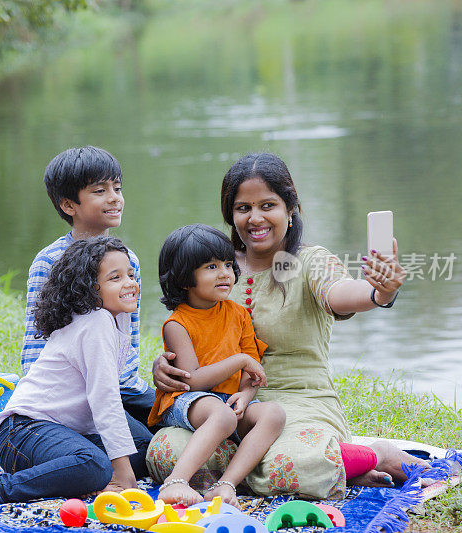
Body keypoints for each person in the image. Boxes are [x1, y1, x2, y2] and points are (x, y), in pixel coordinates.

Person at [152, 153, 429, 499]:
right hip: (224, 403)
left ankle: (376, 455)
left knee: (294, 465)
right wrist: (165, 365)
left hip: (301, 401)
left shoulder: (310, 261)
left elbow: (342, 293)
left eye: (268, 205)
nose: (255, 218)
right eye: (243, 208)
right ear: (230, 214)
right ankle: (328, 470)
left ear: (290, 208)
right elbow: (185, 325)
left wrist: (379, 291)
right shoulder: (216, 268)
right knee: (166, 452)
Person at [0, 237, 149, 509]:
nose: (130, 283)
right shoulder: (95, 322)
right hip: (22, 432)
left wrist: (122, 466)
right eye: (115, 278)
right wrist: (121, 471)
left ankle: (83, 473)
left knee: (144, 446)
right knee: (95, 464)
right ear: (89, 288)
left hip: (68, 429)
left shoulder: (117, 316)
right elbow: (104, 398)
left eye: (130, 274)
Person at [148, 224, 286, 507]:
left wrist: (246, 396)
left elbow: (252, 365)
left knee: (273, 414)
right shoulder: (178, 323)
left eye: (227, 264)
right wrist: (239, 360)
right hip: (186, 400)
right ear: (184, 279)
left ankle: (226, 485)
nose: (224, 272)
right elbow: (193, 381)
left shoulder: (237, 314)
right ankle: (175, 482)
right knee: (222, 416)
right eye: (211, 266)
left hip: (225, 401)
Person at [20, 146, 157, 428]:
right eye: (100, 191)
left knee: (176, 422)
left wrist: (128, 383)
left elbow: (129, 334)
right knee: (134, 448)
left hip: (124, 388)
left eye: (117, 188)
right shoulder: (50, 261)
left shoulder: (128, 260)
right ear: (69, 205)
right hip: (71, 393)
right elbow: (35, 344)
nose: (114, 199)